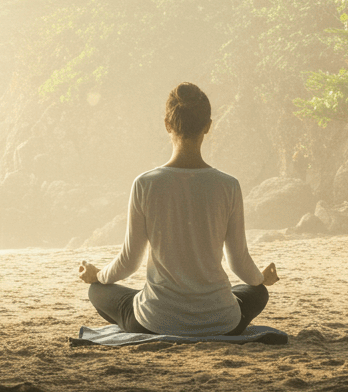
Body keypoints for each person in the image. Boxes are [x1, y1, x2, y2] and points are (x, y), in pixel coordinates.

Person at [77, 82, 280, 336]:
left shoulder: (145, 184)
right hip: (222, 322)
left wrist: (98, 275)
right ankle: (221, 306)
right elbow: (239, 263)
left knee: (98, 290)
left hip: (156, 321)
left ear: (167, 124)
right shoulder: (229, 186)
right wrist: (261, 279)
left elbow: (129, 263)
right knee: (257, 292)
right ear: (208, 126)